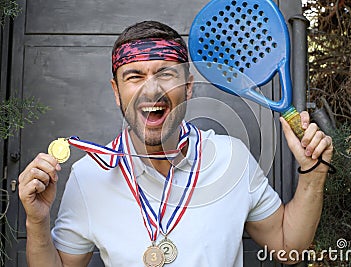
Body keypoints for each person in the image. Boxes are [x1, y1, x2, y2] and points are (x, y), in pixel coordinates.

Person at [18, 21, 334, 267]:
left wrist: (313, 173)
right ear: (116, 92)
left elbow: (287, 248)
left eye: (166, 73)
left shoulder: (231, 158)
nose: (151, 89)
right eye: (134, 76)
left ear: (189, 86)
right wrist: (36, 220)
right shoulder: (88, 177)